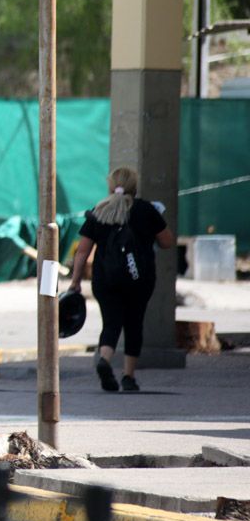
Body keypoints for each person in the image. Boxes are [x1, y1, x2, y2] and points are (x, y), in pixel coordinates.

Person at [68, 167, 174, 392]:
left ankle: (105, 359)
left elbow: (82, 252)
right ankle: (128, 376)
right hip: (139, 278)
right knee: (134, 322)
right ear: (134, 188)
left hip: (105, 279)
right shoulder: (146, 210)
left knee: (111, 322)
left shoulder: (99, 211)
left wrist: (75, 281)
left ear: (110, 186)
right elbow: (167, 242)